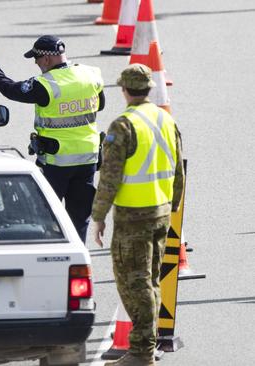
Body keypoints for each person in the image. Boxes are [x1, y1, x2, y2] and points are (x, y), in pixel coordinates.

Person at [0, 35, 105, 242]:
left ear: (47, 59)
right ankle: (79, 259)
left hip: (57, 161)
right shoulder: (90, 74)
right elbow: (100, 105)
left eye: (36, 59)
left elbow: (9, 89)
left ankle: (53, 256)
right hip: (88, 159)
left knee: (47, 215)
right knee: (79, 218)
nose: (36, 63)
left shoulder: (46, 84)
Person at [91, 64, 184, 366]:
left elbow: (110, 176)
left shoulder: (124, 124)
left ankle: (142, 351)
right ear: (148, 89)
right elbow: (178, 170)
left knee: (134, 282)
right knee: (150, 279)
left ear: (124, 90)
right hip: (160, 212)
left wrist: (99, 215)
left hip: (134, 216)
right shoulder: (165, 118)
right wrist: (173, 205)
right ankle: (145, 345)